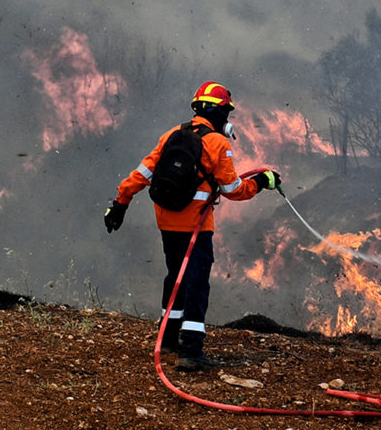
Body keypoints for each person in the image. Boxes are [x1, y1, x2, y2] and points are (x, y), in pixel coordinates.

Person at [104, 81, 281, 371]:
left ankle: (169, 338)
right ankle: (191, 351)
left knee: (175, 276)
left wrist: (119, 204)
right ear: (219, 112)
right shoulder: (218, 144)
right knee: (196, 283)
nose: (227, 119)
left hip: (166, 220)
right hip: (196, 225)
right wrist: (263, 181)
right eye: (226, 112)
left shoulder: (171, 136)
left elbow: (142, 173)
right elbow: (233, 189)